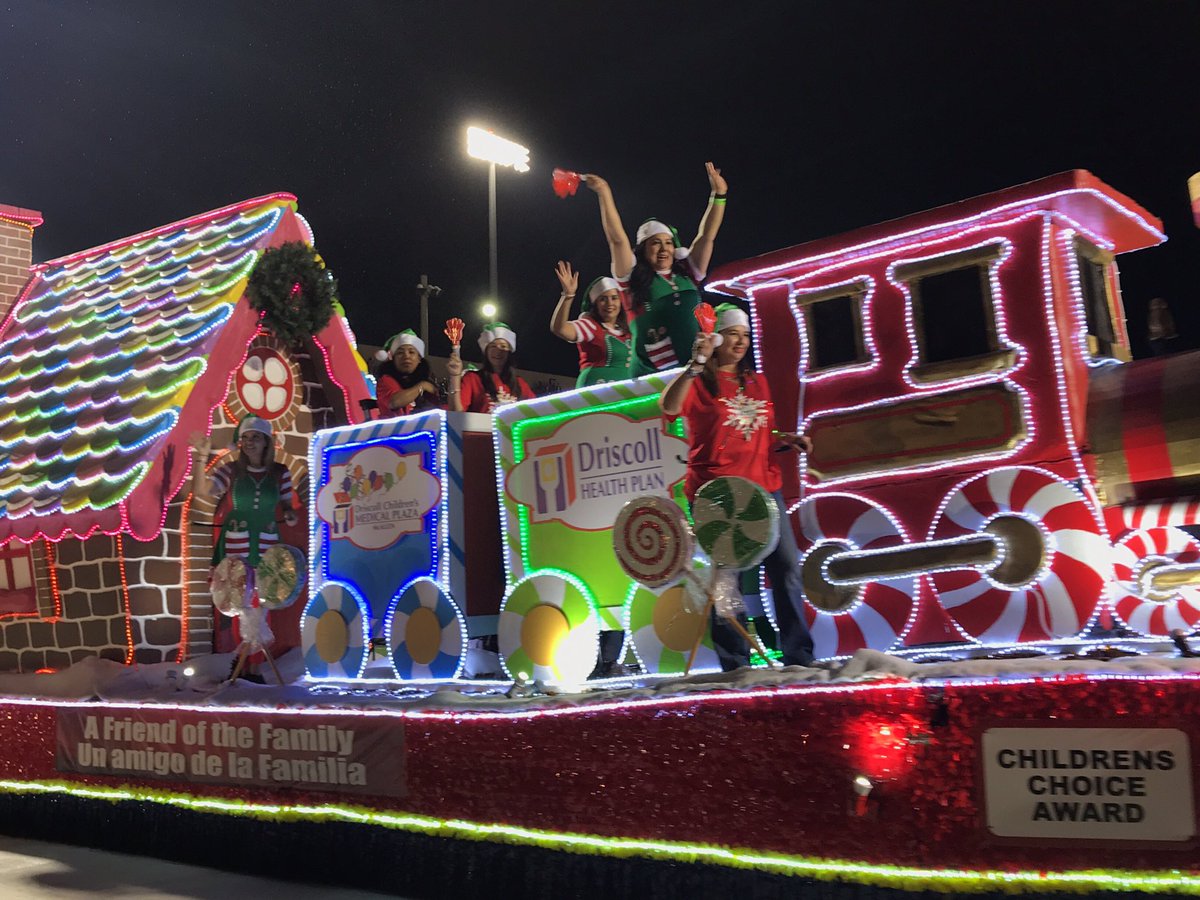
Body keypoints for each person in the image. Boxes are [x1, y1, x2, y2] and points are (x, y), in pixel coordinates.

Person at [659, 303, 815, 671]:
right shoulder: (699, 382)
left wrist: (785, 438)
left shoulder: (756, 381)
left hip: (765, 487)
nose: (741, 342)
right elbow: (668, 406)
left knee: (787, 569)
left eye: (745, 335)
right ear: (716, 339)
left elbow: (755, 427)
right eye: (733, 335)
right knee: (727, 581)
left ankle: (799, 657)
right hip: (721, 493)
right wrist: (694, 365)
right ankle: (735, 662)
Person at [586, 163, 728, 376]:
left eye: (668, 243)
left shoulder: (688, 272)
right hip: (651, 376)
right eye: (655, 243)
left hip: (695, 371)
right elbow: (616, 240)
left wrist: (719, 195)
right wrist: (604, 193)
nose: (664, 249)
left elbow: (707, 235)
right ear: (643, 249)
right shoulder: (631, 279)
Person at [190, 416, 299, 658]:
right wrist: (201, 457)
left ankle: (258, 662)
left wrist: (290, 515)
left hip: (267, 540)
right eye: (245, 438)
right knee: (239, 598)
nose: (249, 443)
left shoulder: (280, 472)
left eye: (255, 438)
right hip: (236, 540)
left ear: (266, 442)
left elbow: (286, 504)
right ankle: (240, 663)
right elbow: (200, 491)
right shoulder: (231, 470)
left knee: (265, 597)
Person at [549, 260, 633, 387]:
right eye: (603, 299)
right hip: (596, 394)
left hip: (625, 396)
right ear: (595, 304)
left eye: (614, 298)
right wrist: (568, 296)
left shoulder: (628, 331)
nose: (610, 303)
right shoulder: (591, 326)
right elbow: (560, 329)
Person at [447, 322, 536, 413]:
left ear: (509, 352)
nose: (498, 351)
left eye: (503, 346)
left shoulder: (520, 383)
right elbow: (455, 413)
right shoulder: (472, 378)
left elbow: (535, 412)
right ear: (486, 351)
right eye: (493, 346)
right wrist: (455, 376)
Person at [375, 329, 442, 416]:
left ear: (419, 359)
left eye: (411, 352)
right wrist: (422, 386)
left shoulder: (429, 381)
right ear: (393, 359)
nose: (406, 356)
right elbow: (395, 402)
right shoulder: (386, 380)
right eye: (400, 352)